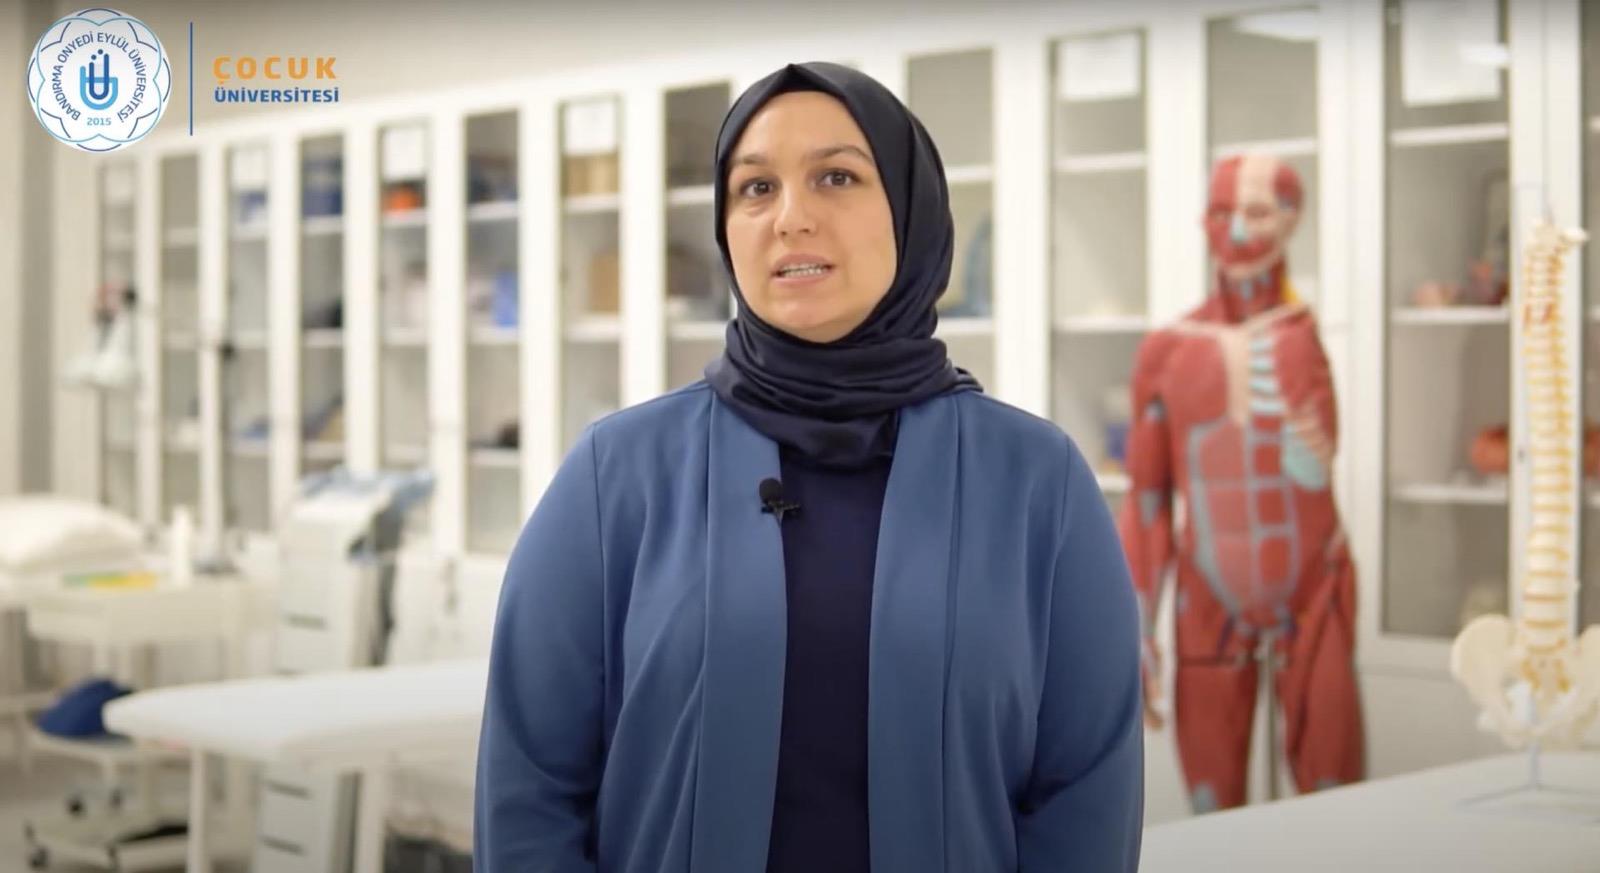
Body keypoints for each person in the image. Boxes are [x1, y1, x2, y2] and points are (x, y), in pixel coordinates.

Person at [474, 61, 1143, 873]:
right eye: (756, 188)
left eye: (836, 177)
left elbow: (1086, 796)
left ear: (911, 210)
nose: (791, 217)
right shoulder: (615, 474)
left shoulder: (1039, 482)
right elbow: (529, 787)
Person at [1118, 153, 1364, 814]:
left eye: (1256, 213)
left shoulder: (1303, 337)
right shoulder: (1167, 350)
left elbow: (1315, 467)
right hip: (1209, 596)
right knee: (1213, 813)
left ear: (1291, 220)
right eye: (1221, 213)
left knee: (1333, 808)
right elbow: (1146, 500)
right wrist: (1133, 626)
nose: (1235, 232)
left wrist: (1311, 446)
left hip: (1314, 588)